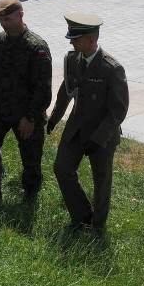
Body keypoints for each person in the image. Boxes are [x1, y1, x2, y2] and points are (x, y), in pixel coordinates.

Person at [48, 13, 129, 233]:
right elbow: (66, 92)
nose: (71, 42)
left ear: (92, 39)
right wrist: (54, 118)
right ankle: (82, 216)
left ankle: (98, 226)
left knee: (101, 182)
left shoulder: (111, 69)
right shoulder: (73, 60)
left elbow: (118, 110)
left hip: (102, 134)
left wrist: (99, 138)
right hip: (76, 128)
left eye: (76, 38)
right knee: (62, 168)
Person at [0, 0, 52, 204]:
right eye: (1, 20)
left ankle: (30, 195)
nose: (3, 24)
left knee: (31, 158)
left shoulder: (37, 47)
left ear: (21, 15)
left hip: (27, 113)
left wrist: (30, 117)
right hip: (0, 108)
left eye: (7, 19)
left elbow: (43, 89)